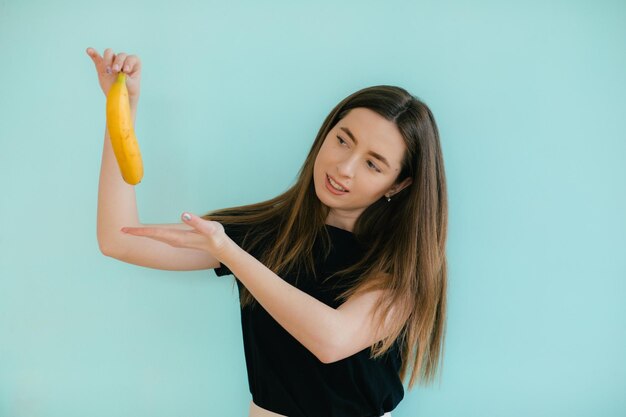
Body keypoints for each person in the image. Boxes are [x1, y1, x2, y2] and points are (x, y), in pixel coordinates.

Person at [87, 47, 448, 417]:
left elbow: (331, 339)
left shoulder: (400, 270)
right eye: (343, 140)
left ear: (398, 185)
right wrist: (121, 110)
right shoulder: (261, 236)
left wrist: (231, 254)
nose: (344, 168)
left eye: (373, 164)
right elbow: (118, 238)